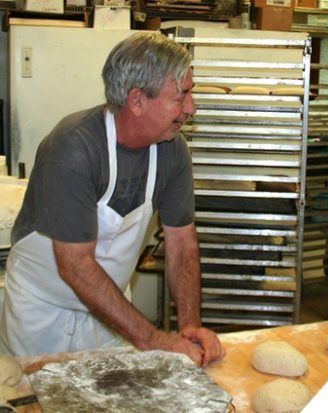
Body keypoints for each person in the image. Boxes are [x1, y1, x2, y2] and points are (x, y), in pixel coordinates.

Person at [0, 32, 225, 367]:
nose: (191, 108)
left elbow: (182, 243)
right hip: (40, 317)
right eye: (181, 97)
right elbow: (75, 266)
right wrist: (153, 339)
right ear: (136, 101)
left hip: (112, 317)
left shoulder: (173, 151)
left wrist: (189, 325)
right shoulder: (74, 147)